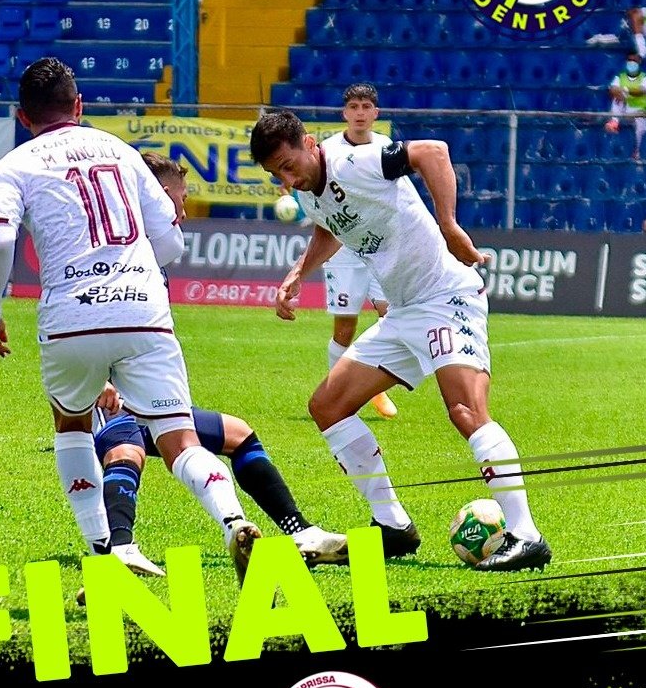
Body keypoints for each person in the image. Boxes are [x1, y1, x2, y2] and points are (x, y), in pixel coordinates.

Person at [0, 57, 261, 582]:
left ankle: (104, 551)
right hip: (143, 310)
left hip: (71, 315)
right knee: (179, 440)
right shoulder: (122, 152)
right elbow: (170, 240)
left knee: (72, 425)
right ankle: (233, 520)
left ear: (22, 116)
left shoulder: (13, 165)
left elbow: (0, 239)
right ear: (79, 105)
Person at [249, 109, 551, 572]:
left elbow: (433, 152)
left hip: (445, 296)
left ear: (309, 143)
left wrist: (448, 225)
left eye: (289, 166)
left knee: (466, 410)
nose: (287, 181)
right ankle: (392, 526)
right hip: (403, 311)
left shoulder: (356, 160)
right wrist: (298, 272)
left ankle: (527, 535)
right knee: (327, 406)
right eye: (277, 175)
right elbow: (331, 226)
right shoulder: (308, 190)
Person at [89, 151, 348, 581]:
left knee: (239, 434)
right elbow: (84, 318)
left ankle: (299, 533)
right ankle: (120, 550)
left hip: (152, 395)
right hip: (107, 395)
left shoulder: (153, 252)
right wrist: (99, 380)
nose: (184, 211)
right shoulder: (112, 252)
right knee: (126, 451)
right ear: (156, 195)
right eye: (180, 198)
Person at [319, 84, 397, 421]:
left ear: (376, 113)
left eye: (366, 106)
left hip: (381, 246)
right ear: (345, 113)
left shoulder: (386, 148)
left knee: (391, 316)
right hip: (344, 248)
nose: (360, 113)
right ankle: (337, 393)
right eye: (354, 107)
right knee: (344, 328)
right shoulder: (327, 150)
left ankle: (372, 385)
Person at [605, 52, 646, 161]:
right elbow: (612, 89)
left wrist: (624, 90)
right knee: (616, 99)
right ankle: (614, 122)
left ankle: (637, 151)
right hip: (623, 110)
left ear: (639, 61)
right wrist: (619, 93)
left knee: (640, 122)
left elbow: (643, 90)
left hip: (639, 111)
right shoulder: (620, 77)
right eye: (629, 60)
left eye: (634, 60)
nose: (631, 63)